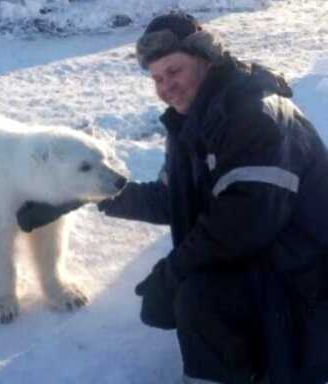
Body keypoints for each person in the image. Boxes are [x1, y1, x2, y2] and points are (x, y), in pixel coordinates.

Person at [16, 11, 328, 384]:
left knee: (200, 295)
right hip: (266, 260)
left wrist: (174, 272)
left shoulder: (253, 117)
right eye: (157, 78)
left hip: (306, 279)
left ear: (205, 59)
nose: (166, 86)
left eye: (174, 71)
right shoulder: (193, 122)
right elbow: (172, 199)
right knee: (190, 287)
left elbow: (243, 225)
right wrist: (94, 195)